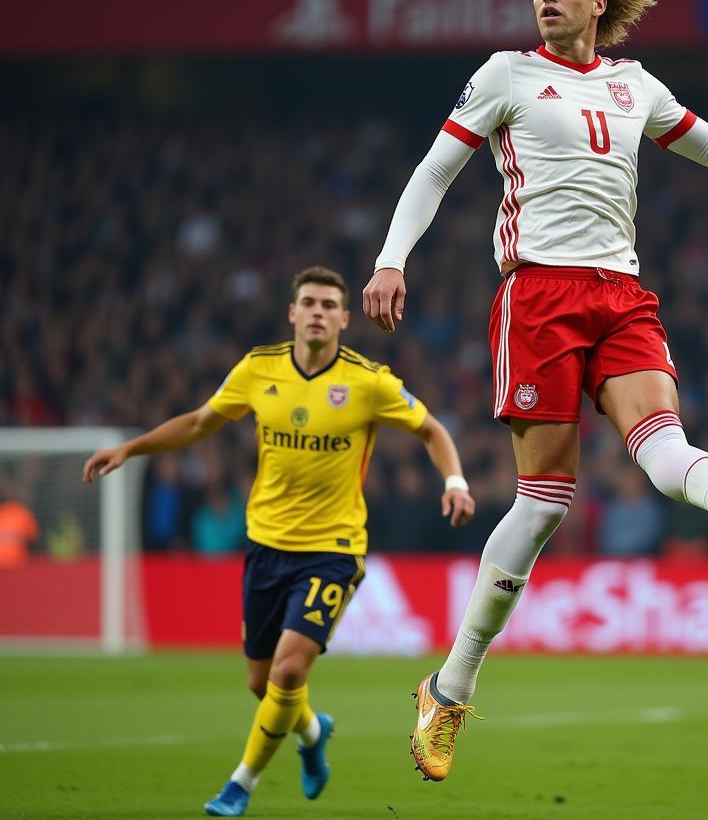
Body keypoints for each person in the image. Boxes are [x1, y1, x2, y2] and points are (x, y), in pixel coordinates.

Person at [362, 0, 708, 782]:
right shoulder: (506, 74)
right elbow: (432, 174)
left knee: (662, 444)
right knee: (541, 507)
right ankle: (448, 688)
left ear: (598, 4)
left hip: (620, 293)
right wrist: (392, 260)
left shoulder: (634, 84)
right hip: (538, 297)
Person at [83, 265, 475, 816]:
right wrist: (131, 449)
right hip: (266, 544)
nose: (317, 312)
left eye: (327, 304)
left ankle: (240, 783)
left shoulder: (368, 382)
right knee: (261, 682)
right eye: (308, 302)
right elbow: (199, 423)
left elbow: (432, 429)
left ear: (344, 317)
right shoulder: (257, 369)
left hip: (333, 549)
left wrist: (454, 480)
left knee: (290, 672)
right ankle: (313, 733)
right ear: (292, 313)